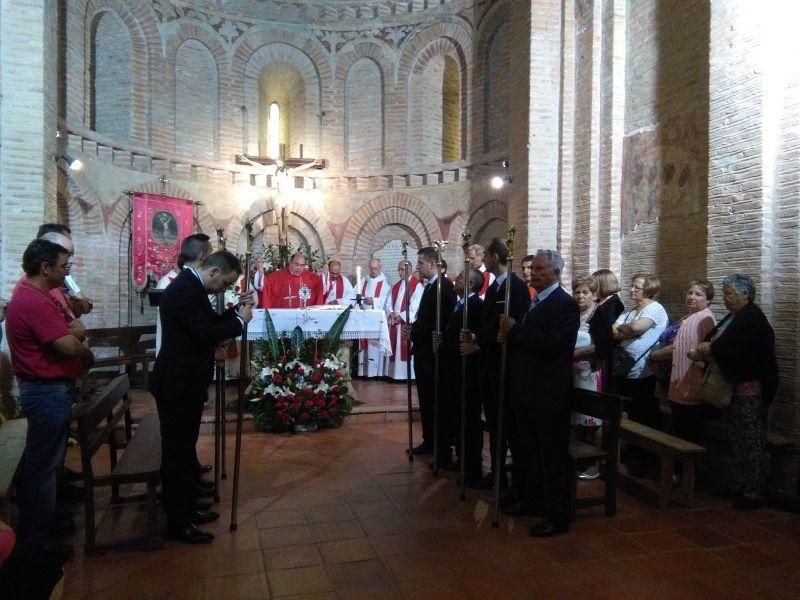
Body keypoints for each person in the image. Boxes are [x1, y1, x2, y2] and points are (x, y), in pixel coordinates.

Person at [150, 250, 254, 543]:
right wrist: (240, 323)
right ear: (213, 273)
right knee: (177, 455)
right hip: (176, 384)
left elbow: (210, 321)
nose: (223, 289)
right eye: (225, 284)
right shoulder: (185, 291)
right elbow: (205, 333)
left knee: (184, 453)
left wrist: (236, 310)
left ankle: (186, 510)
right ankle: (177, 523)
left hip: (185, 383)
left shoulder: (191, 286)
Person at [5, 239, 95, 556]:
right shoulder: (32, 301)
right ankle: (37, 545)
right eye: (62, 266)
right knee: (42, 470)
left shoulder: (39, 296)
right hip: (45, 392)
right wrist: (81, 347)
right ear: (45, 268)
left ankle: (43, 531)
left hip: (50, 390)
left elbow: (72, 329)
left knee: (49, 465)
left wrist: (75, 334)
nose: (65, 271)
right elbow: (68, 343)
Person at [499, 249, 579, 536]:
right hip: (527, 391)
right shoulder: (536, 301)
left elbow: (553, 344)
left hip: (547, 395)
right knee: (530, 453)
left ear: (556, 272)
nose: (534, 273)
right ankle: (534, 502)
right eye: (533, 269)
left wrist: (515, 331)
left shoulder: (564, 304)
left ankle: (557, 517)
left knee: (551, 457)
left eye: (541, 269)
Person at [690, 274, 778, 510]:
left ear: (745, 295)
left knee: (751, 441)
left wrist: (709, 348)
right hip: (733, 389)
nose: (726, 299)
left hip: (751, 391)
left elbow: (727, 346)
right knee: (737, 439)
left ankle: (754, 492)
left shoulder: (751, 317)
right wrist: (708, 346)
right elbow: (714, 339)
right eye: (725, 293)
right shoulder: (735, 316)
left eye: (730, 294)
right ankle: (739, 484)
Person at [461, 238, 530, 490]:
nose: (483, 261)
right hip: (489, 363)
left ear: (495, 258)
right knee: (493, 422)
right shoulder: (493, 287)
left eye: (486, 256)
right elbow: (488, 322)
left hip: (505, 365)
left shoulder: (516, 287)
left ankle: (512, 479)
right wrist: (476, 335)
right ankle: (497, 471)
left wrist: (482, 340)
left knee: (506, 425)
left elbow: (514, 323)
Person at [613, 273, 668, 476]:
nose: (632, 290)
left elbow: (636, 328)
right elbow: (614, 331)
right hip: (626, 371)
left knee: (645, 416)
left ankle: (647, 461)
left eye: (637, 287)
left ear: (649, 289)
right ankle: (634, 455)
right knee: (631, 415)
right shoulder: (631, 311)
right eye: (632, 286)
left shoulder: (655, 308)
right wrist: (626, 330)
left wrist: (626, 330)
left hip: (643, 373)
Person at [649, 280, 716, 446]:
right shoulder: (690, 316)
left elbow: (707, 352)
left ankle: (686, 470)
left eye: (698, 294)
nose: (692, 297)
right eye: (690, 293)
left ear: (708, 300)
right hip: (679, 384)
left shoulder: (705, 318)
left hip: (692, 385)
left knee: (688, 436)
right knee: (679, 432)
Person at [404, 247, 456, 455]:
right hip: (425, 350)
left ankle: (439, 444)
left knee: (435, 400)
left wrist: (414, 332)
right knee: (426, 398)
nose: (417, 267)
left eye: (420, 263)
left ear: (433, 264)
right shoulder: (430, 286)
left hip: (433, 352)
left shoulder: (443, 287)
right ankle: (429, 439)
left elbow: (436, 320)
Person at [434, 269, 483, 479]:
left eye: (461, 277)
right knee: (457, 416)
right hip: (452, 370)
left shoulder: (474, 306)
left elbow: (463, 342)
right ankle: (463, 459)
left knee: (468, 418)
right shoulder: (460, 304)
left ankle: (472, 465)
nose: (456, 279)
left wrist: (442, 346)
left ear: (470, 284)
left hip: (465, 372)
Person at [384, 260, 422, 381]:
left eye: (402, 269)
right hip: (395, 324)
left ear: (409, 269)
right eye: (399, 270)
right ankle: (395, 375)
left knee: (405, 348)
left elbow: (415, 306)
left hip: (406, 324)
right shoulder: (396, 286)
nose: (400, 272)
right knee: (396, 348)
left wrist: (400, 317)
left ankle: (407, 375)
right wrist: (391, 314)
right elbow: (388, 303)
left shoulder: (417, 285)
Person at [591, 269, 625, 391]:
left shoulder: (614, 304)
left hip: (607, 352)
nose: (592, 287)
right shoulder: (601, 302)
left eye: (595, 284)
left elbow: (609, 330)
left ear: (603, 284)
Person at [357, 258, 390, 378]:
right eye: (371, 268)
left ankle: (375, 373)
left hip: (377, 320)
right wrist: (362, 299)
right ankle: (363, 372)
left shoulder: (385, 283)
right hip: (363, 318)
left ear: (380, 267)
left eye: (375, 268)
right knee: (364, 344)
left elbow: (387, 301)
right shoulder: (363, 281)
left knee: (373, 345)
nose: (373, 270)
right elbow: (355, 296)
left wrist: (374, 301)